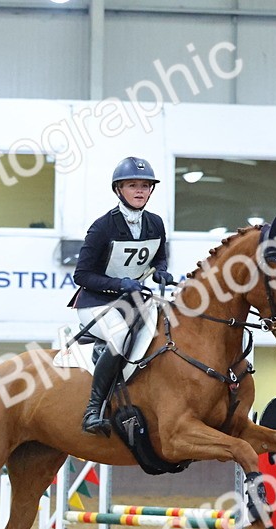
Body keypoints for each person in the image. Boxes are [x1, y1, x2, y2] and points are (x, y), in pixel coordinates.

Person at [69, 156, 176, 436]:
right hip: (96, 301)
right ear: (119, 189)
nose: (140, 191)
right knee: (119, 337)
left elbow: (159, 256)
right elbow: (81, 275)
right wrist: (118, 284)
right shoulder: (102, 227)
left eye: (145, 185)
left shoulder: (155, 223)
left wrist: (161, 272)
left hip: (134, 299)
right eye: (132, 185)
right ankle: (93, 410)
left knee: (170, 329)